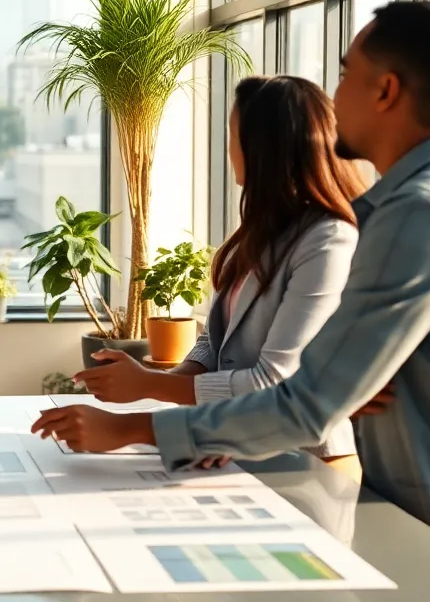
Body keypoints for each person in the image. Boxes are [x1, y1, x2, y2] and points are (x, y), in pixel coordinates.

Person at [32, 1, 430, 571]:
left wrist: (130, 426)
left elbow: (304, 402)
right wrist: (343, 387)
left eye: (344, 74)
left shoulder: (422, 213)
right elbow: (334, 385)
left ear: (385, 90)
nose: (333, 99)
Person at [76, 75, 366, 471]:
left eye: (232, 134)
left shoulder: (328, 239)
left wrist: (149, 386)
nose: (227, 149)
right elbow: (215, 342)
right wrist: (155, 381)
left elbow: (273, 381)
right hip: (236, 449)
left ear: (261, 147)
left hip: (310, 462)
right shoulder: (261, 229)